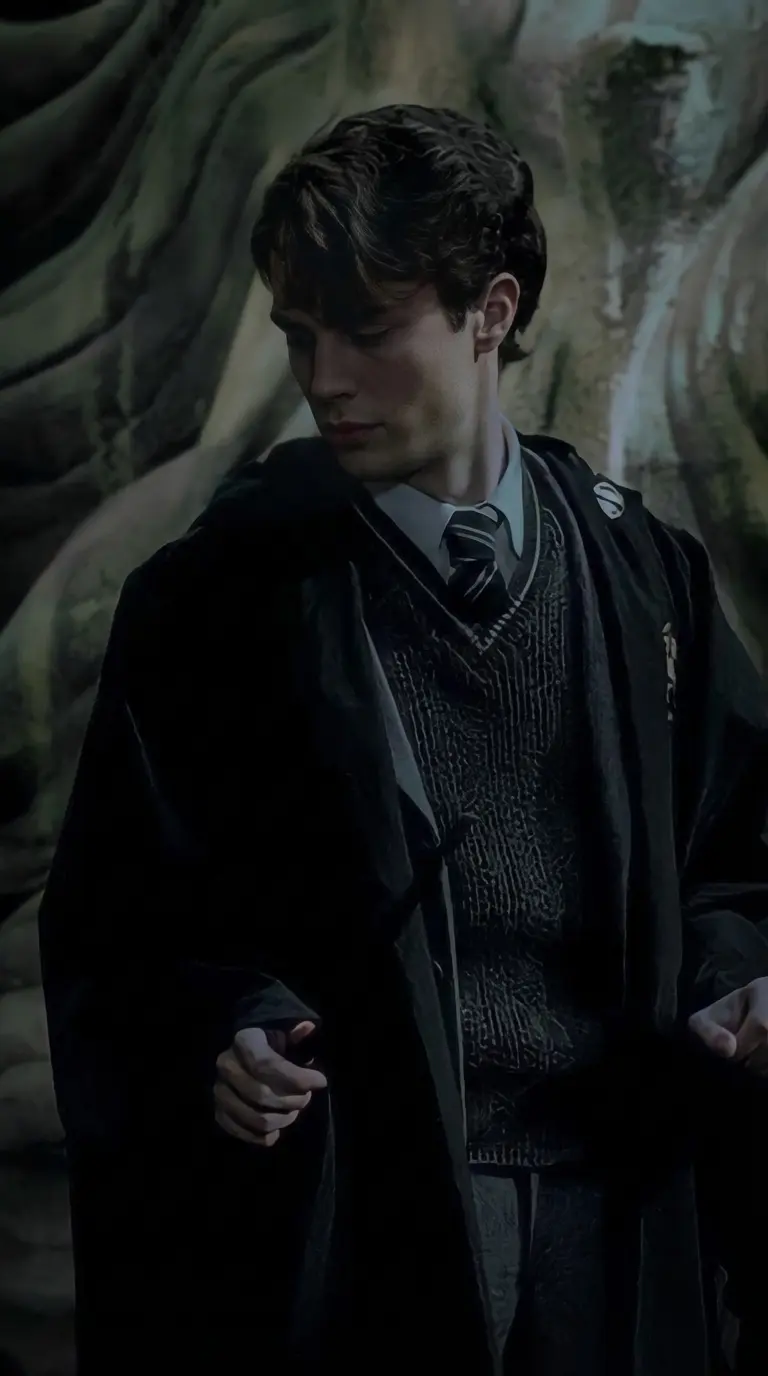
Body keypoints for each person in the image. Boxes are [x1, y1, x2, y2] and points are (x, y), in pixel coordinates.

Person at [38, 104, 768, 1376]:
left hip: (619, 1199)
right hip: (364, 1216)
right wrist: (231, 1027)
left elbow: (735, 858)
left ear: (491, 311)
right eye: (299, 334)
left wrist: (736, 977)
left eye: (368, 331)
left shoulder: (642, 574)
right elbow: (125, 920)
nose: (323, 378)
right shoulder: (219, 599)